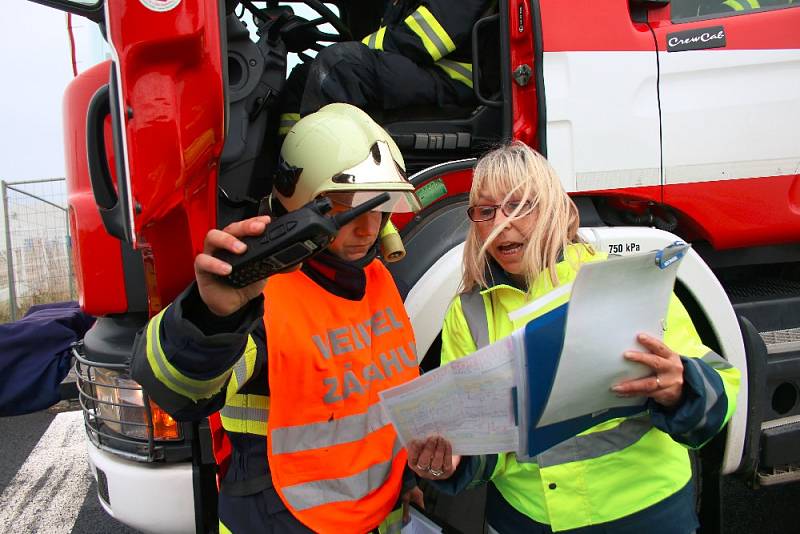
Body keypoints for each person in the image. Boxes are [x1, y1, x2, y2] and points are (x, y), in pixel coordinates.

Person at [406, 142, 741, 533]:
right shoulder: (467, 313)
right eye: (485, 211)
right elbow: (481, 443)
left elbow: (723, 388)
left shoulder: (622, 283)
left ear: (551, 207)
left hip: (646, 513)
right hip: (528, 520)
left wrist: (682, 385)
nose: (501, 223)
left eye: (518, 206)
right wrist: (452, 460)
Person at [131, 103, 425, 534]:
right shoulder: (263, 297)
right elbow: (179, 392)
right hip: (281, 522)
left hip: (376, 516)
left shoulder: (377, 279)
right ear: (302, 206)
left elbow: (379, 402)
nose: (368, 227)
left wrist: (407, 480)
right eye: (348, 207)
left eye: (380, 206)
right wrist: (211, 317)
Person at [278, 0, 494, 135]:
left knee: (340, 67)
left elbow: (425, 37)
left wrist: (359, 50)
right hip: (425, 71)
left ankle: (317, 178)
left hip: (454, 83)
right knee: (304, 77)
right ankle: (284, 171)